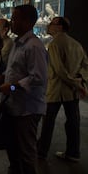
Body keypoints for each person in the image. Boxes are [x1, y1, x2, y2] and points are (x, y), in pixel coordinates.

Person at [0, 4, 48, 174]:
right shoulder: (17, 44)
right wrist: (0, 79)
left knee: (26, 149)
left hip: (27, 109)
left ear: (27, 22)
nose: (11, 22)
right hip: (13, 106)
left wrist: (11, 87)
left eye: (15, 19)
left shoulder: (34, 46)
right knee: (13, 147)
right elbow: (14, 70)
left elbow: (37, 78)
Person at [37, 17, 88, 162]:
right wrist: (80, 83)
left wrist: (74, 83)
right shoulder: (76, 44)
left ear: (59, 26)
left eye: (52, 23)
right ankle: (73, 152)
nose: (48, 25)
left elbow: (59, 70)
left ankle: (41, 151)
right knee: (73, 121)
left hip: (57, 90)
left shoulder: (54, 44)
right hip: (72, 92)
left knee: (48, 121)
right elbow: (85, 66)